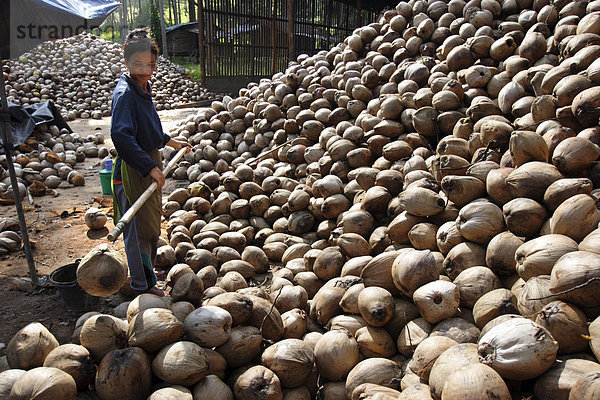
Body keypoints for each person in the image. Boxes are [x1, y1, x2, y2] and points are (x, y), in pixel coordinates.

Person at [110, 28, 190, 296]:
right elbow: (122, 137)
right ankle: (140, 285)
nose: (145, 70)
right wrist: (150, 167)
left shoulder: (143, 87)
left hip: (148, 164)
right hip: (134, 169)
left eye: (150, 64)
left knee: (150, 224)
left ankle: (147, 273)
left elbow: (149, 127)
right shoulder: (125, 94)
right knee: (135, 231)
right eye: (138, 64)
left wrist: (171, 142)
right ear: (126, 61)